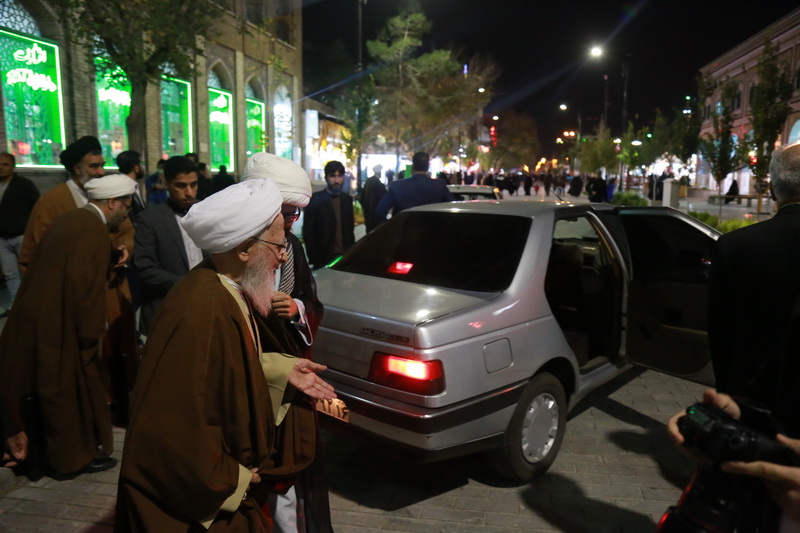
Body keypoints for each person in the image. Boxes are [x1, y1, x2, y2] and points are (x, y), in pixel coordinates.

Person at [115, 178, 335, 532]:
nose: (283, 256)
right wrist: (230, 476)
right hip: (202, 496)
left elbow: (224, 367)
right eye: (278, 245)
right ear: (244, 250)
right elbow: (171, 422)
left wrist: (281, 368)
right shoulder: (202, 306)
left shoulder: (226, 286)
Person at [0, 174, 136, 479]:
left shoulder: (73, 220)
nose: (126, 211)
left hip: (40, 320)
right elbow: (84, 287)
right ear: (111, 203)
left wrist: (112, 254)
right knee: (68, 395)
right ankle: (71, 460)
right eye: (125, 204)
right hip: (63, 328)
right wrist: (91, 335)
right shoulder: (92, 230)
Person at [18, 136, 138, 423]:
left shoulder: (112, 195)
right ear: (76, 168)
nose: (100, 171)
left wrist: (124, 249)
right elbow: (34, 256)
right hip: (74, 302)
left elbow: (127, 232)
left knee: (116, 355)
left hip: (111, 292)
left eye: (102, 165)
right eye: (93, 166)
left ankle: (114, 406)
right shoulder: (53, 202)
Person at [242, 152, 330, 532]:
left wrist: (296, 309)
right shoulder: (236, 250)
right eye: (286, 213)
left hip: (288, 380)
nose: (292, 223)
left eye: (296, 215)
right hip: (247, 380)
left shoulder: (293, 247)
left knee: (288, 471)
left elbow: (312, 301)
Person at [709, 142, 800, 408]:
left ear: (771, 190)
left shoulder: (735, 245)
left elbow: (720, 331)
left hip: (751, 395)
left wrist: (727, 394)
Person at [133, 156, 202, 336]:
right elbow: (145, 267)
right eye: (181, 186)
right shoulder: (150, 219)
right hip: (166, 309)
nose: (189, 192)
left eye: (193, 185)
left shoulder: (206, 212)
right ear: (166, 183)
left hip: (204, 306)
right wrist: (186, 284)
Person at [0, 153, 39, 318]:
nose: (1, 167)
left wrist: (32, 230)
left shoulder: (24, 185)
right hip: (2, 238)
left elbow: (37, 206)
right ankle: (16, 307)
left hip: (22, 235)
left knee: (30, 270)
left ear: (13, 166)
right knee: (10, 274)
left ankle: (35, 305)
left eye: (5, 164)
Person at [374, 152, 455, 225]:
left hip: (404, 232)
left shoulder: (396, 186)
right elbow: (453, 207)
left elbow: (380, 211)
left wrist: (390, 229)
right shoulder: (439, 185)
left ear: (413, 166)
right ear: (428, 166)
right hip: (432, 232)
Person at [303, 160, 355, 270]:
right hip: (323, 258)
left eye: (339, 176)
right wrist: (314, 257)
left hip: (344, 257)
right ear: (326, 177)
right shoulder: (315, 200)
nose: (336, 180)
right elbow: (308, 231)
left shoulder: (347, 200)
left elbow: (350, 229)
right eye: (332, 176)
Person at [115, 150, 147, 219]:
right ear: (136, 168)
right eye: (142, 164)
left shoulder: (134, 187)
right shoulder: (124, 190)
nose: (143, 168)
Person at [360, 164, 386, 233]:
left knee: (368, 231)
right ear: (379, 173)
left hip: (368, 212)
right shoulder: (380, 185)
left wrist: (365, 208)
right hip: (376, 215)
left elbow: (362, 197)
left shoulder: (368, 181)